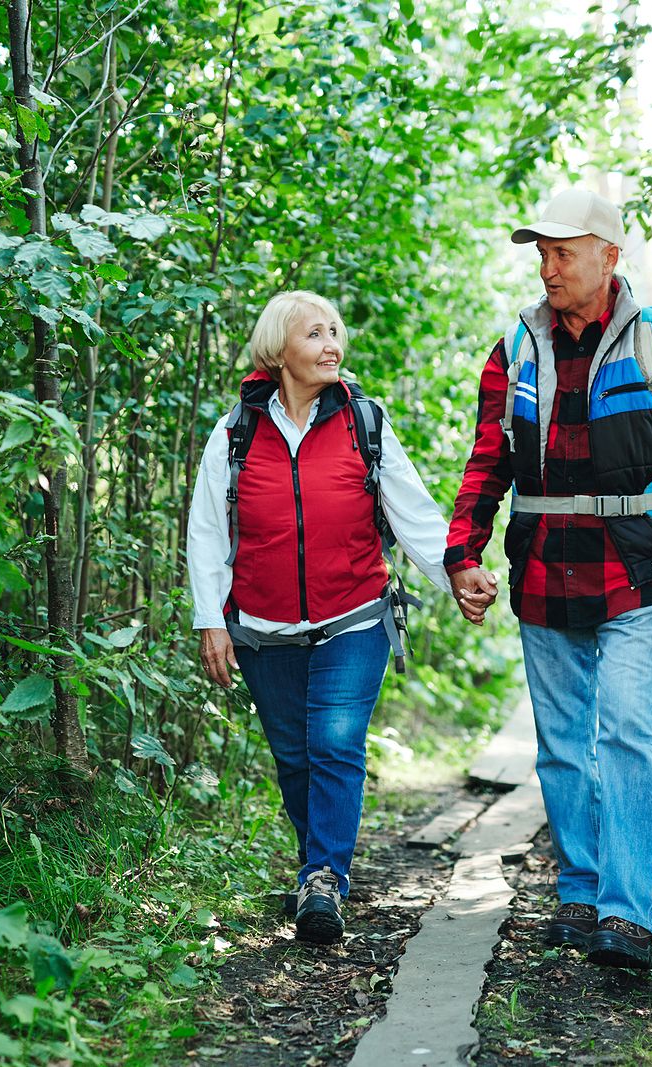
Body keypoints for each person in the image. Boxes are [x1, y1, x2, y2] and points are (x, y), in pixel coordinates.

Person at [445, 188, 652, 969]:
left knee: (627, 728)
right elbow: (488, 459)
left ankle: (628, 909)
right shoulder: (515, 349)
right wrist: (463, 552)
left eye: (563, 253)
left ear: (609, 256)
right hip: (544, 570)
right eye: (542, 253)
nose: (548, 268)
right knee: (563, 743)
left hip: (637, 570)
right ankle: (579, 888)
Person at [187, 290, 456, 945]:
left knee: (335, 745)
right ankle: (320, 867)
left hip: (354, 616)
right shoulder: (235, 432)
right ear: (279, 349)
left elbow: (415, 514)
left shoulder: (364, 421)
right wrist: (210, 619)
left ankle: (324, 877)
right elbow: (207, 530)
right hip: (264, 628)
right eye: (315, 333)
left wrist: (459, 574)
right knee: (295, 757)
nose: (332, 344)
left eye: (335, 331)